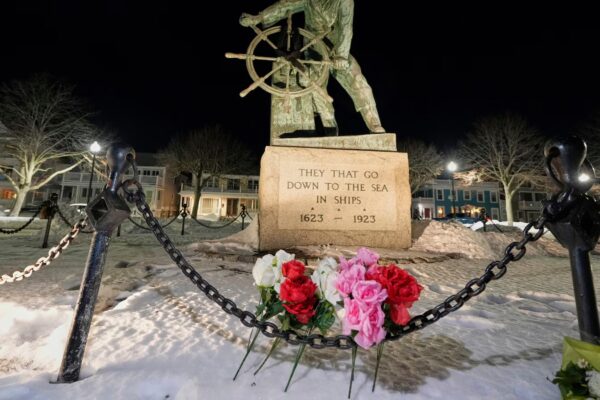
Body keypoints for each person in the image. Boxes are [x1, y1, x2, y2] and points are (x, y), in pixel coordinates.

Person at [239, 0, 385, 134]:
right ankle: (329, 126)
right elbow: (285, 5)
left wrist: (341, 55)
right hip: (314, 49)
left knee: (357, 80)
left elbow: (346, 27)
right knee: (313, 83)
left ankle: (374, 123)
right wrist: (259, 18)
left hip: (337, 49)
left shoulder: (344, 1)